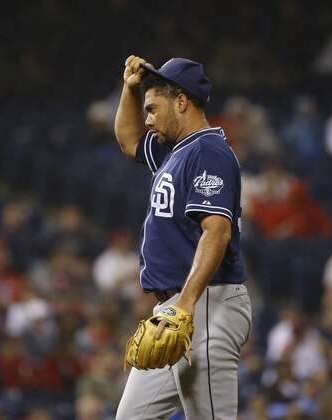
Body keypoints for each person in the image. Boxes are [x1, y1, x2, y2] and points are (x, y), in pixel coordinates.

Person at [113, 55, 252, 419]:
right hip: (176, 310)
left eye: (153, 109)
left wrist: (186, 303)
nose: (147, 119)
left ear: (181, 102)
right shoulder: (174, 151)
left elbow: (217, 231)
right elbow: (129, 142)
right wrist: (130, 90)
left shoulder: (208, 152)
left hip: (206, 303)